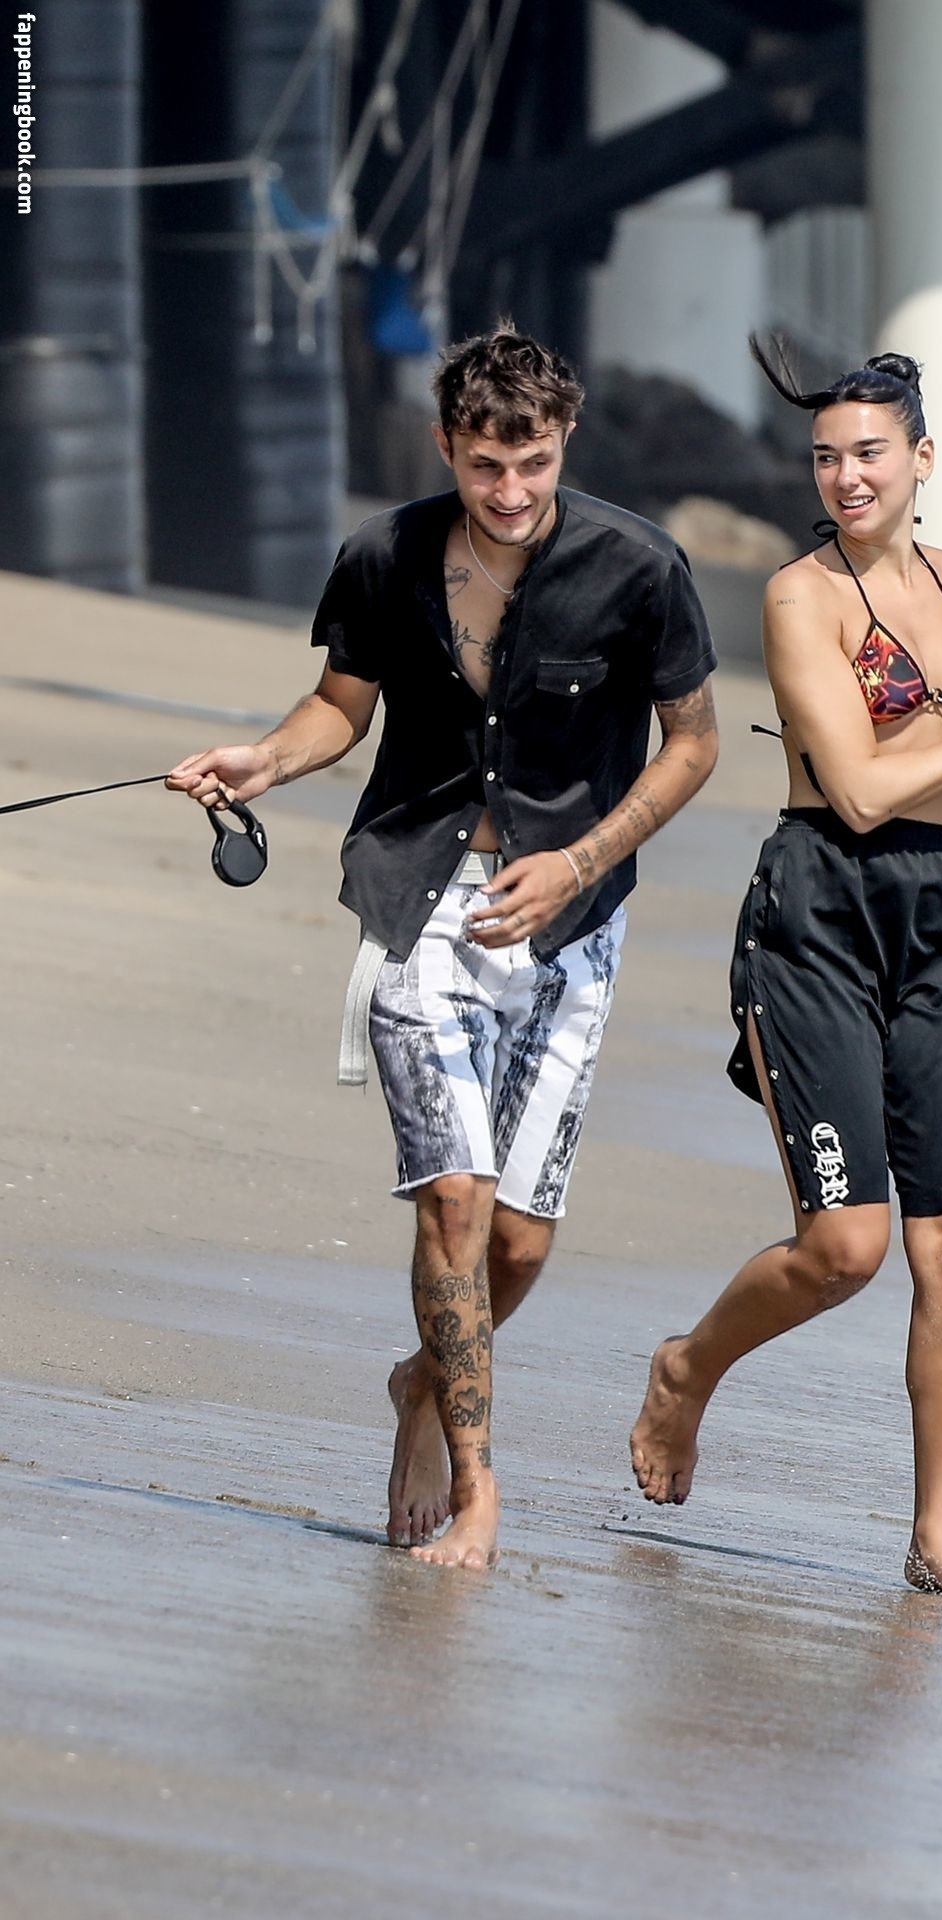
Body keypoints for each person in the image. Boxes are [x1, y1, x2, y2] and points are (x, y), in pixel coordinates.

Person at [169, 321, 718, 1571]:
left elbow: (691, 743)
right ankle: (477, 1486)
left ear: (562, 440)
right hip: (418, 901)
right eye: (484, 466)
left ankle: (421, 1380)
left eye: (531, 463)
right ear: (445, 446)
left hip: (570, 920)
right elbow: (338, 708)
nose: (509, 491)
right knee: (454, 1204)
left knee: (516, 1242)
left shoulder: (640, 567)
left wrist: (579, 860)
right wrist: (265, 759)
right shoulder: (384, 556)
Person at [630, 340, 942, 1601]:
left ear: (919, 459)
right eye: (825, 457)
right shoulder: (800, 598)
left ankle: (934, 1535)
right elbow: (854, 788)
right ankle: (686, 1368)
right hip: (819, 916)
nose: (844, 477)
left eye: (868, 455)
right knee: (843, 1247)